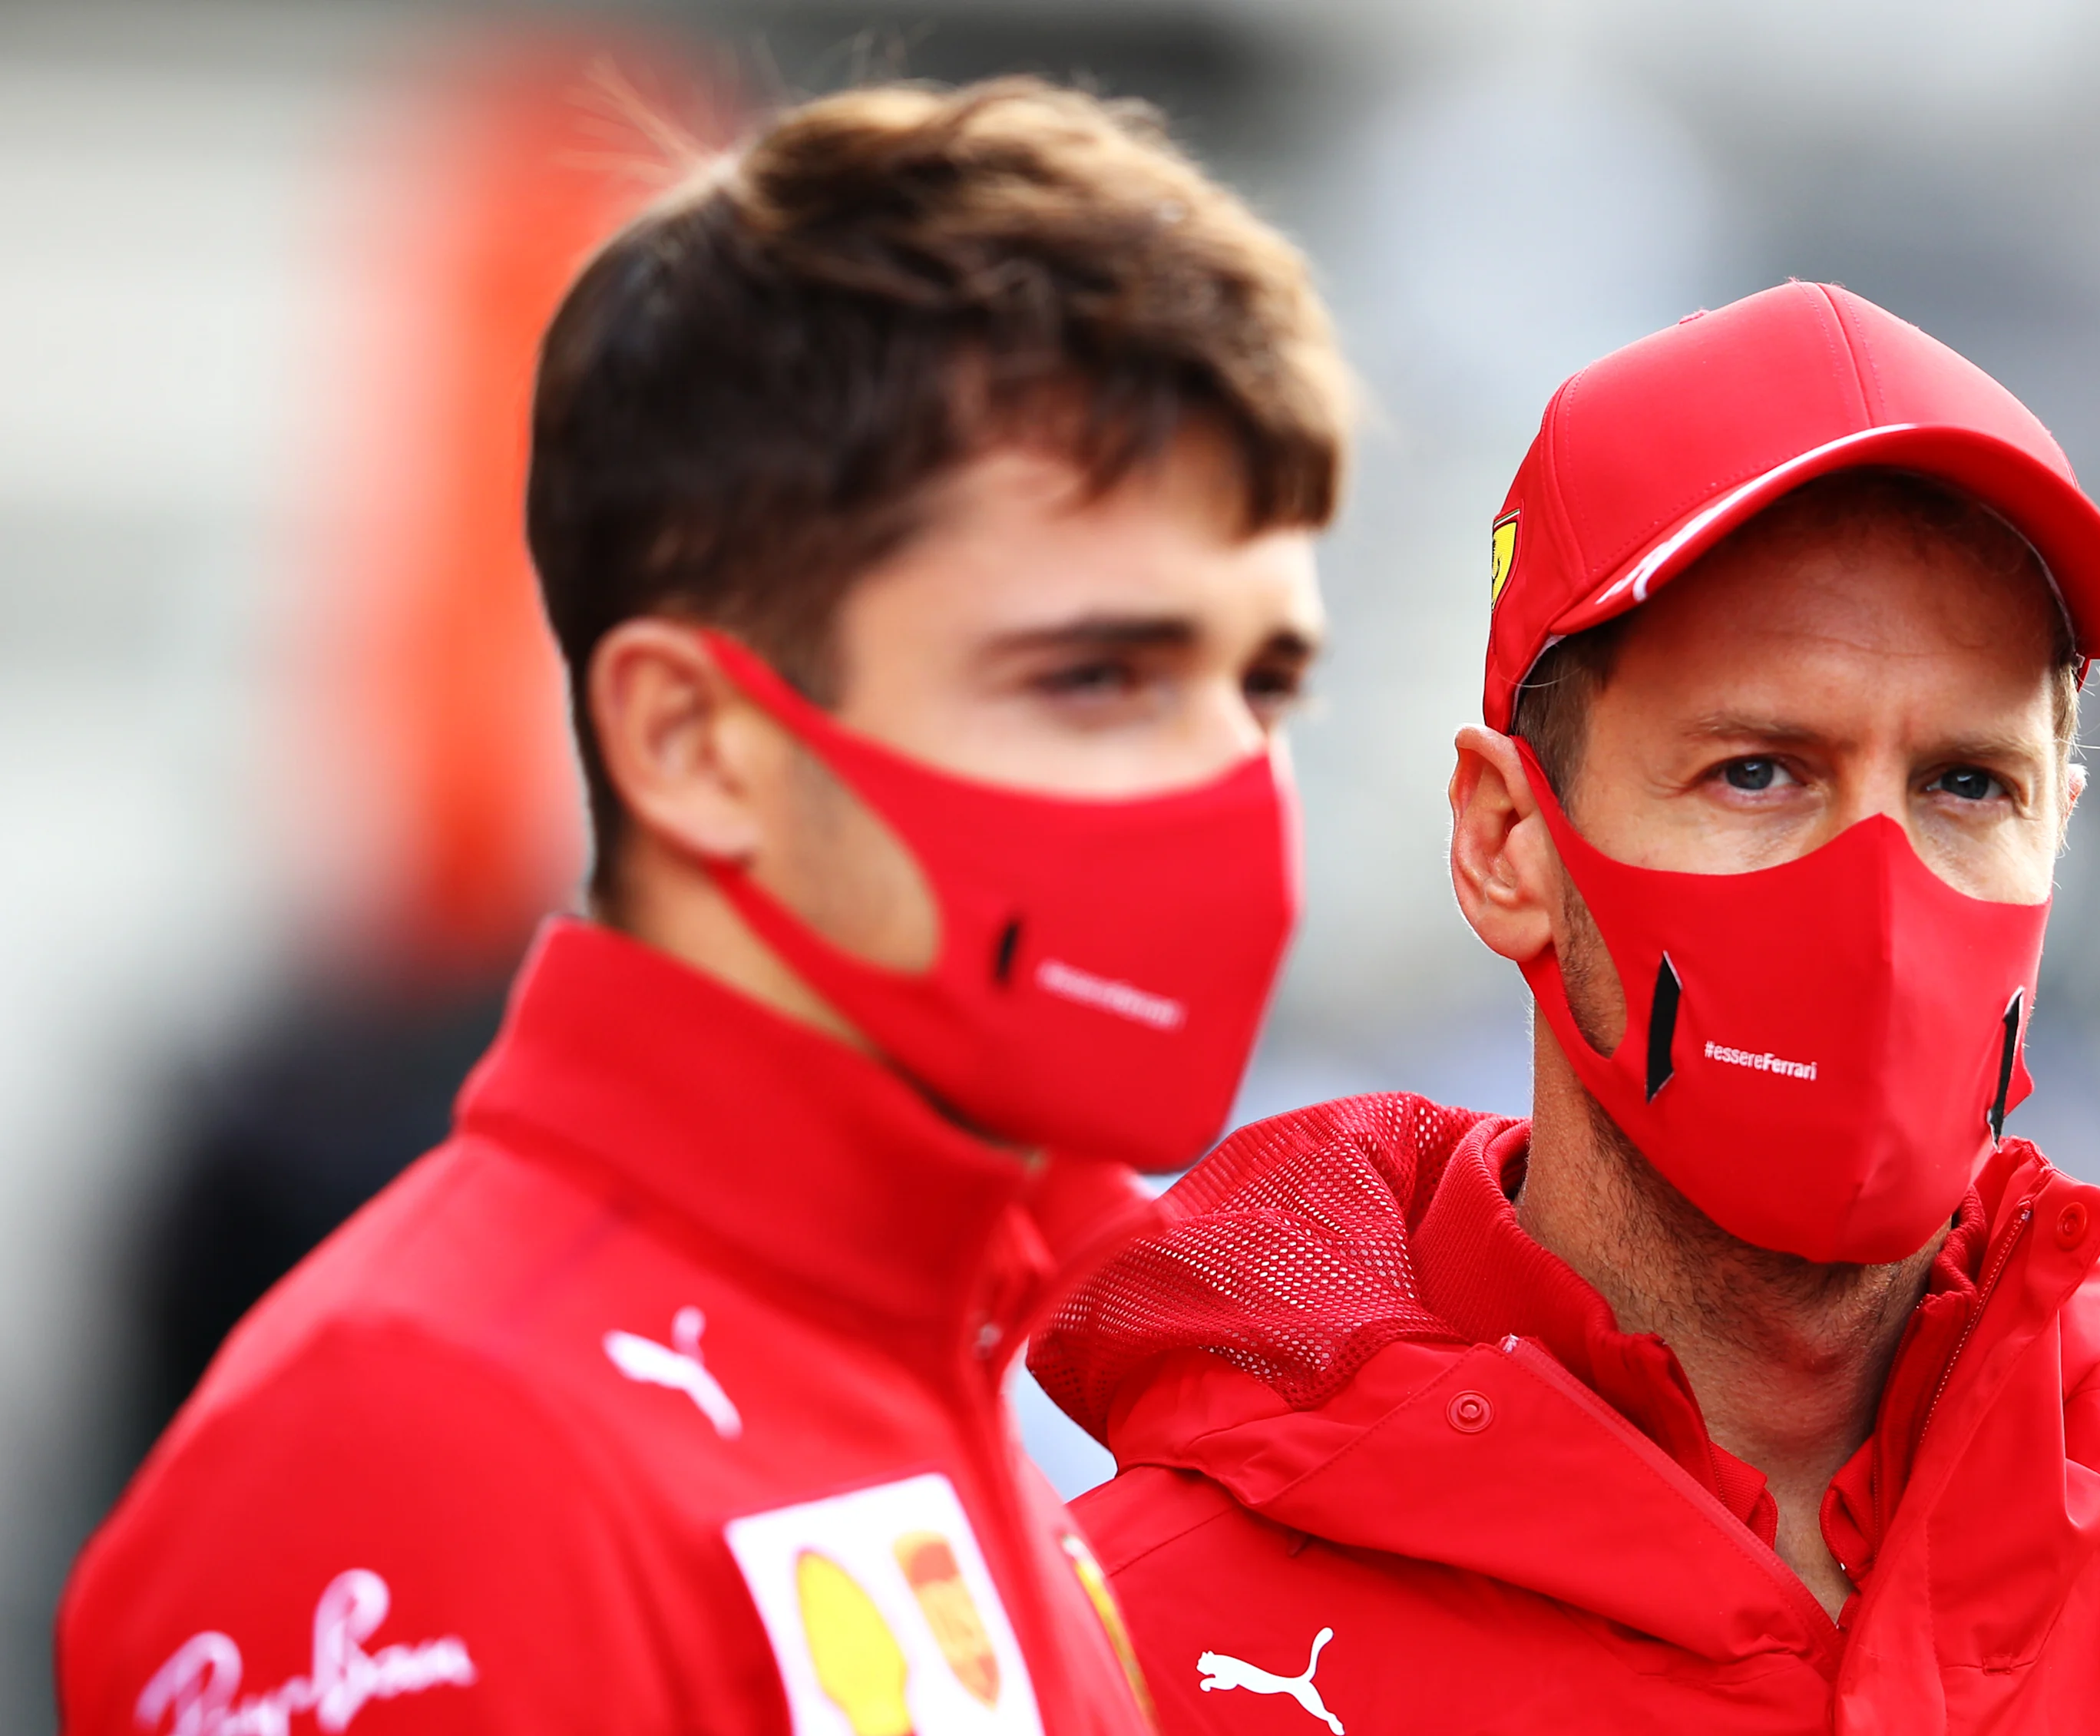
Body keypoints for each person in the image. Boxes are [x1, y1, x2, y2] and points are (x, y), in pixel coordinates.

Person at [1030, 283, 2100, 1733]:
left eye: (1964, 784)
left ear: (2060, 829)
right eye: (1757, 770)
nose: (1876, 898)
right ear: (1506, 843)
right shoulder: (1123, 1649)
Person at [60, 79, 1346, 1736]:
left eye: (1265, 682)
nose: (1232, 784)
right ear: (694, 743)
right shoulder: (427, 1434)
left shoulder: (954, 1367)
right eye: (1096, 675)